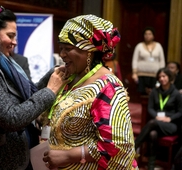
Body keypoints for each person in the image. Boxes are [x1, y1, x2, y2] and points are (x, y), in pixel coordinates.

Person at [0, 6, 66, 170]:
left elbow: (27, 96)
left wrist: (54, 73)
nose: (15, 42)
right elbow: (11, 118)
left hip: (17, 160)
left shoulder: (4, 63)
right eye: (10, 36)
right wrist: (50, 91)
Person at [40, 14, 138, 170]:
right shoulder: (67, 78)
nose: (62, 54)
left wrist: (68, 155)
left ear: (89, 51)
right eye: (61, 48)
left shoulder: (108, 86)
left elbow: (117, 145)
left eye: (68, 48)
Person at [134, 67, 182, 170]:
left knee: (152, 123)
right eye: (159, 77)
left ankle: (134, 146)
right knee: (152, 134)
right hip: (157, 121)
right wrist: (156, 117)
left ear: (169, 78)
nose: (161, 79)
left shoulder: (176, 94)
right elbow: (150, 108)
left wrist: (169, 119)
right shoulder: (155, 92)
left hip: (171, 124)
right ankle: (151, 166)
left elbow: (180, 112)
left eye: (164, 76)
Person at [132, 27, 165, 95]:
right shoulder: (139, 46)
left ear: (153, 35)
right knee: (143, 94)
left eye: (149, 34)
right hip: (141, 75)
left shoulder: (158, 46)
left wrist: (162, 73)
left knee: (155, 93)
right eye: (146, 34)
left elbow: (162, 60)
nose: (147, 36)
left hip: (155, 75)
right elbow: (135, 60)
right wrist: (134, 73)